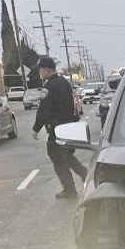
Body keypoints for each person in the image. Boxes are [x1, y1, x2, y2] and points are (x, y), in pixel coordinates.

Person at [32, 56, 87, 199]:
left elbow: (43, 110)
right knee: (66, 155)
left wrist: (36, 129)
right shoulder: (65, 83)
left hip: (56, 129)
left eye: (40, 71)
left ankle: (69, 188)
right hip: (69, 126)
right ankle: (83, 174)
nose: (39, 74)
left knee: (56, 156)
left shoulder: (49, 87)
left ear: (46, 70)